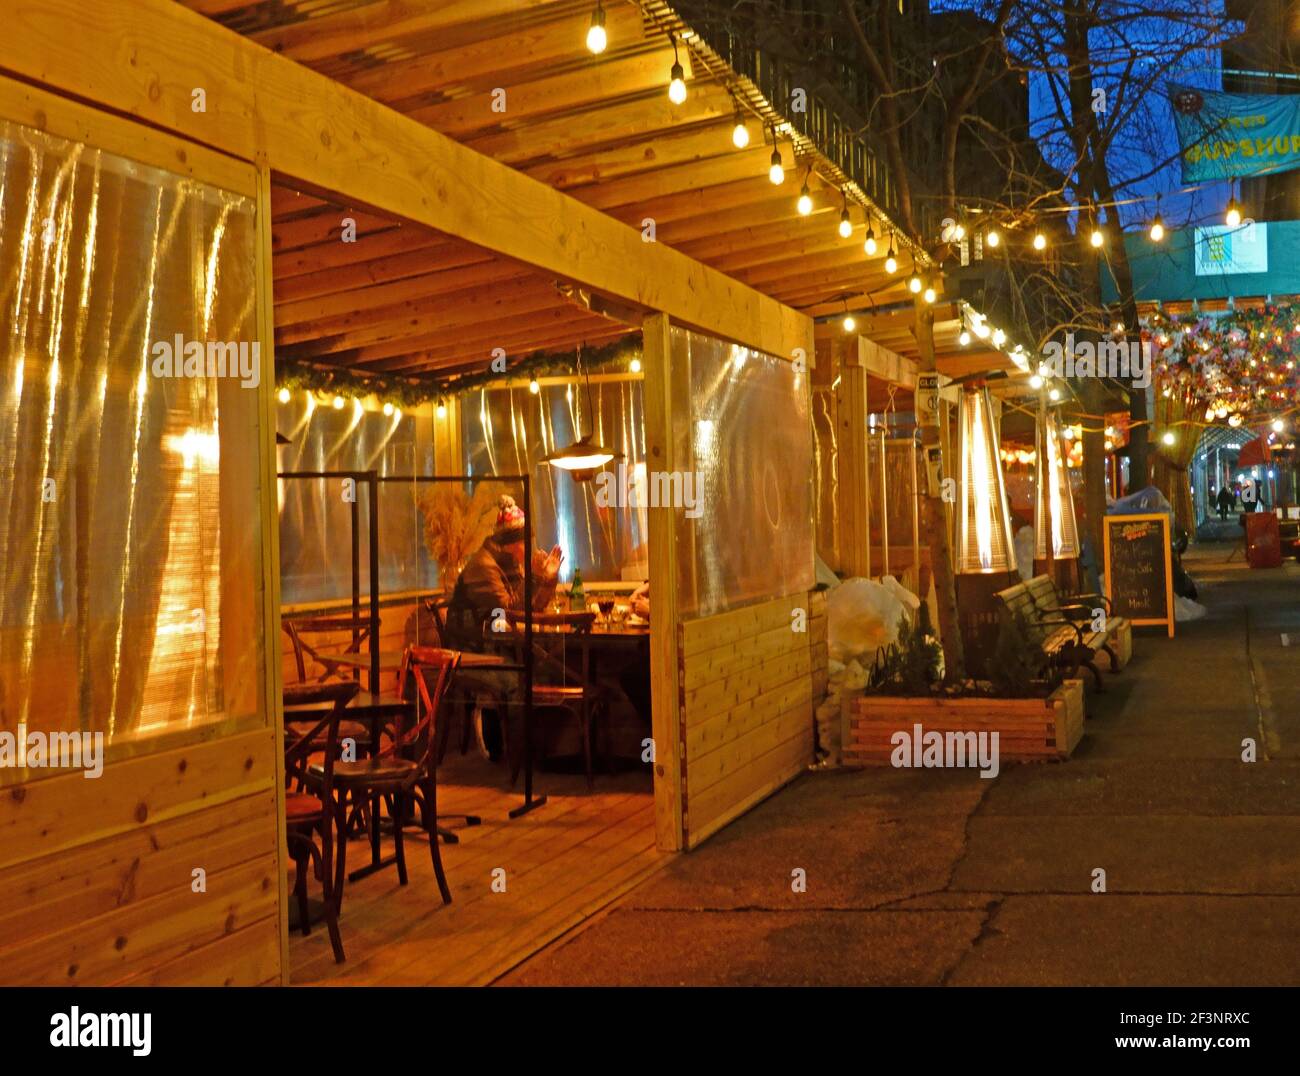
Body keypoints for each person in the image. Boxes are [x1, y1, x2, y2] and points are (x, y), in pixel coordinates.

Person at [443, 495, 563, 758]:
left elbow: (533, 608)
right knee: (518, 679)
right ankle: (518, 756)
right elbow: (510, 611)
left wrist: (547, 579)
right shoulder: (483, 567)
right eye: (524, 541)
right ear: (511, 544)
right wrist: (534, 576)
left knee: (540, 670)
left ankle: (537, 752)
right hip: (470, 655)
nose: (528, 546)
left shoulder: (508, 564)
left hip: (497, 647)